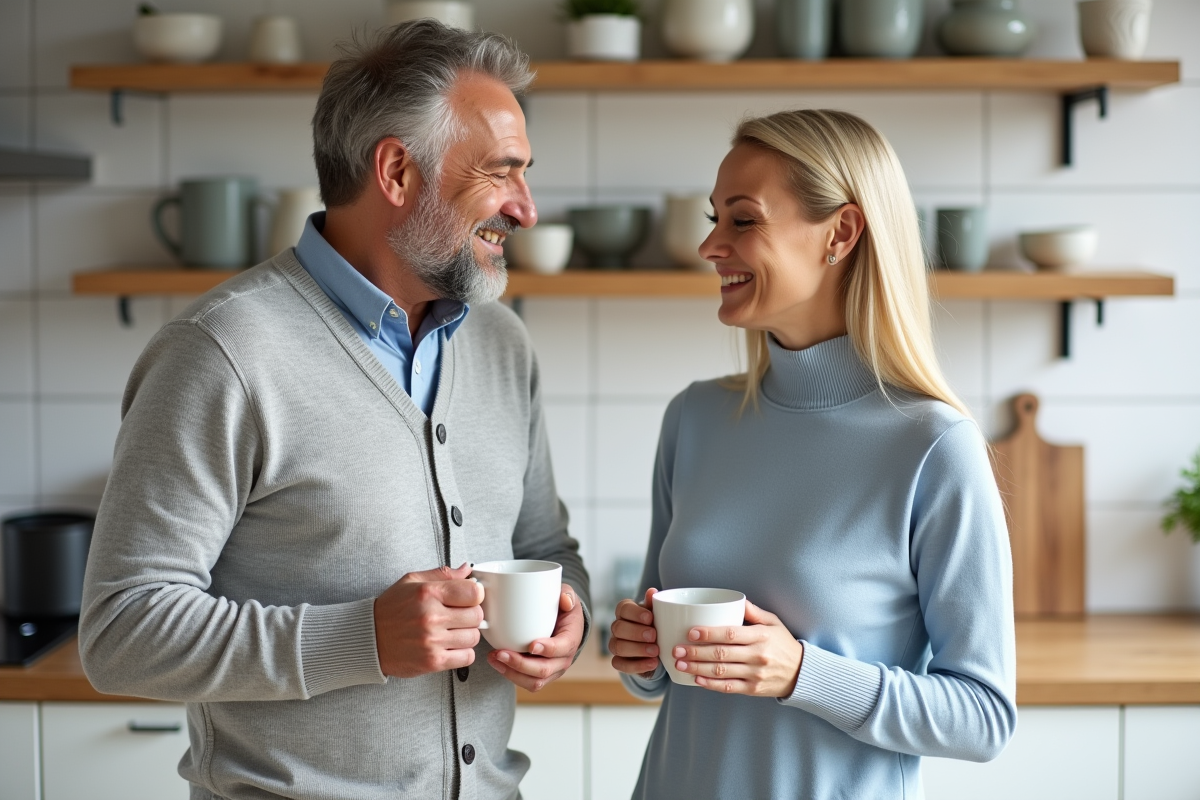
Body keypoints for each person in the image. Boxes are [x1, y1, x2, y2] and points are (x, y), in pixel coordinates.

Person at [79, 21, 590, 800]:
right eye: (501, 173)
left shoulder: (500, 342)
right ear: (396, 171)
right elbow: (122, 632)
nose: (524, 208)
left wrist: (569, 618)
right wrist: (360, 639)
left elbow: (546, 544)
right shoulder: (223, 350)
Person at [608, 109, 1016, 799]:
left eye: (742, 220)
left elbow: (981, 718)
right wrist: (638, 654)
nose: (711, 244)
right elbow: (652, 671)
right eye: (715, 218)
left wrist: (802, 672)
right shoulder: (695, 418)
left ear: (842, 233)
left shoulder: (934, 448)